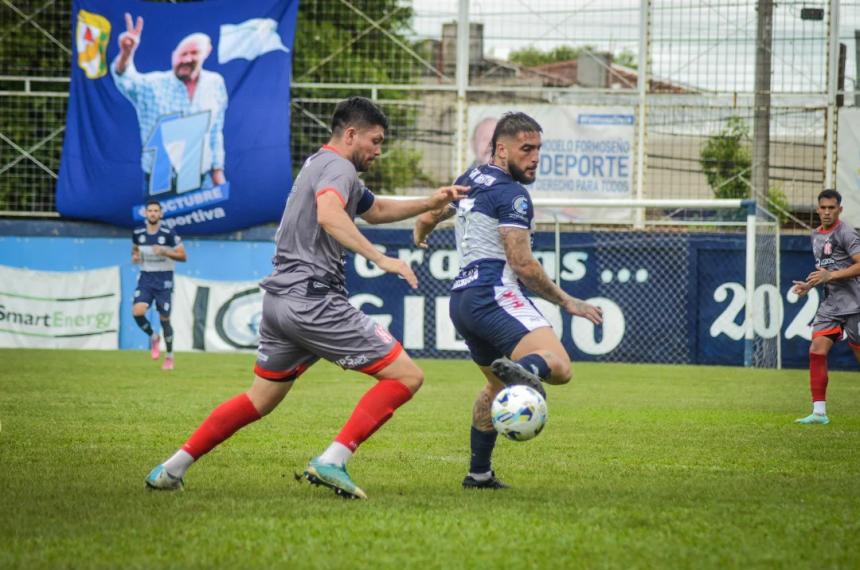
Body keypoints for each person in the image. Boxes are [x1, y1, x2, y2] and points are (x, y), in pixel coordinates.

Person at [145, 96, 469, 499]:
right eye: (376, 140)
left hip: (280, 301)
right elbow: (329, 216)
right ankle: (333, 460)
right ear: (351, 134)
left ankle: (171, 468)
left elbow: (377, 209)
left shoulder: (320, 164)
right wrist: (382, 258)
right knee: (407, 375)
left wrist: (432, 201)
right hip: (312, 299)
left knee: (260, 398)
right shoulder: (339, 167)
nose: (379, 151)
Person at [413, 112, 603, 489]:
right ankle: (527, 370)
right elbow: (522, 264)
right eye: (526, 149)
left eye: (538, 149)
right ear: (501, 150)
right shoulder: (514, 195)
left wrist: (421, 228)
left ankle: (479, 473)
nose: (535, 158)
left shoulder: (471, 178)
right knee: (560, 367)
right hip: (493, 293)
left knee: (495, 388)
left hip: (462, 301)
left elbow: (437, 211)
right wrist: (567, 302)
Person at [112, 13, 228, 193]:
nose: (187, 59)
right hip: (160, 183)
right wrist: (126, 54)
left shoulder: (215, 83)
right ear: (173, 56)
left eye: (194, 53)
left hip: (201, 181)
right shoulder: (153, 85)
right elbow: (126, 79)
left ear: (207, 53)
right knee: (156, 223)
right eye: (183, 54)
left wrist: (218, 172)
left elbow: (215, 131)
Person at [791, 188, 860, 425]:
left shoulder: (846, 232)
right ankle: (819, 413)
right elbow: (824, 270)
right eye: (823, 208)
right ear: (818, 209)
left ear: (840, 209)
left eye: (832, 208)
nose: (827, 212)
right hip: (831, 305)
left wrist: (831, 276)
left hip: (855, 304)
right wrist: (809, 286)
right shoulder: (816, 235)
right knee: (816, 351)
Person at [131, 199, 187, 371]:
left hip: (164, 281)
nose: (153, 213)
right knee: (137, 311)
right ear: (146, 213)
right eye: (150, 211)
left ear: (161, 213)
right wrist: (135, 257)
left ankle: (169, 356)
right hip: (146, 279)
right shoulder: (138, 232)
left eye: (156, 211)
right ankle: (153, 337)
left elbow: (183, 256)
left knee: (165, 319)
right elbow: (135, 250)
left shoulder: (168, 233)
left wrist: (165, 251)